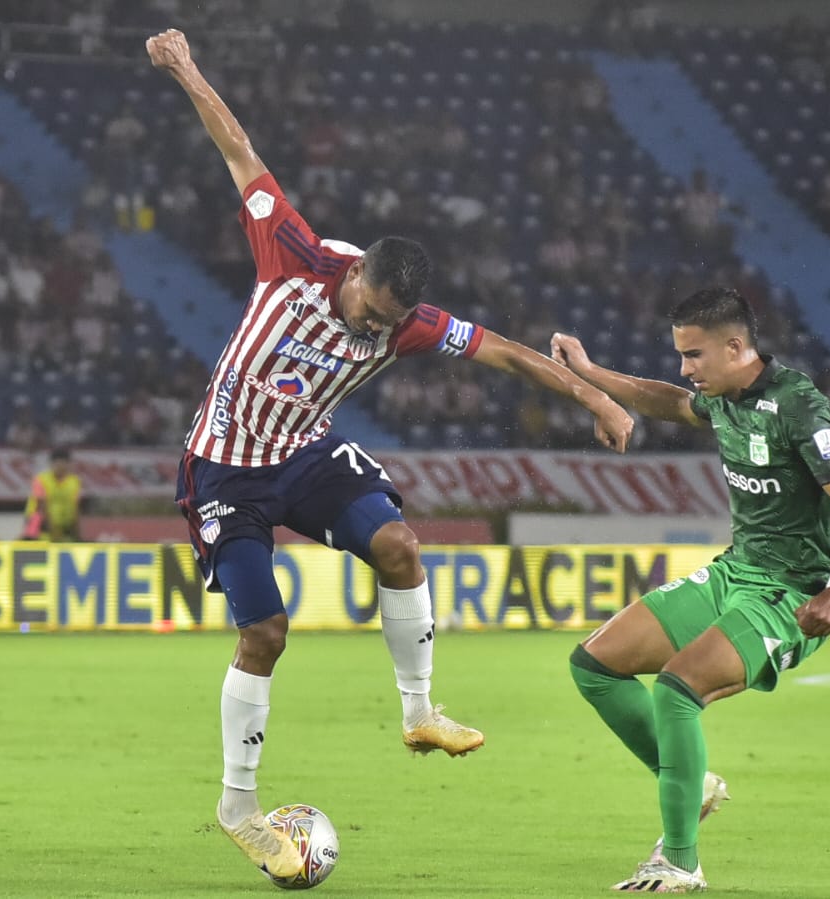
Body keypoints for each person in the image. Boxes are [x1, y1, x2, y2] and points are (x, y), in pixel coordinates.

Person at [145, 27, 636, 879]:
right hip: (225, 464)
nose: (368, 328)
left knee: (401, 546)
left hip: (303, 452)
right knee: (265, 631)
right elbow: (238, 146)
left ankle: (418, 710)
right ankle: (237, 804)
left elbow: (507, 353)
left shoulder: (407, 322)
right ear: (355, 273)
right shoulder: (291, 252)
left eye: (382, 322)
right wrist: (187, 68)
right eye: (365, 310)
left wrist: (593, 394)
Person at [550, 287, 830, 893]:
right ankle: (690, 782)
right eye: (680, 354)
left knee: (677, 689)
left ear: (735, 346)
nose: (685, 369)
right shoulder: (720, 398)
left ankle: (679, 861)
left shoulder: (797, 404)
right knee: (594, 664)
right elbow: (669, 402)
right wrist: (592, 374)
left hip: (786, 596)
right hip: (734, 573)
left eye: (694, 355)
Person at [22, 446, 81, 542]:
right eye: (58, 463)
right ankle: (30, 539)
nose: (61, 467)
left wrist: (78, 534)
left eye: (65, 463)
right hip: (42, 524)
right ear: (52, 464)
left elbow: (75, 508)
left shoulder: (74, 482)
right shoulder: (41, 479)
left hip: (62, 524)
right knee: (36, 518)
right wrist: (53, 530)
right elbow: (41, 506)